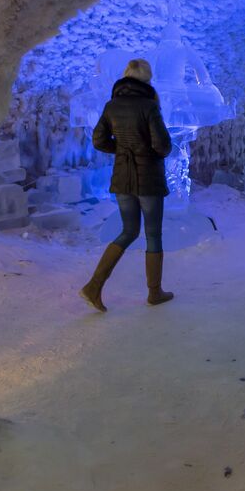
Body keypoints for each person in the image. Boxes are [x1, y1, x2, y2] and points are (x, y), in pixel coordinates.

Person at [80, 58, 175, 311]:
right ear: (147, 79)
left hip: (123, 178)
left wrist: (122, 150)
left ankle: (94, 286)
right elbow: (163, 146)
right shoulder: (149, 106)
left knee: (128, 231)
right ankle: (154, 292)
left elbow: (99, 140)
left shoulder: (112, 105)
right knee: (153, 234)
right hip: (148, 179)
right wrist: (147, 151)